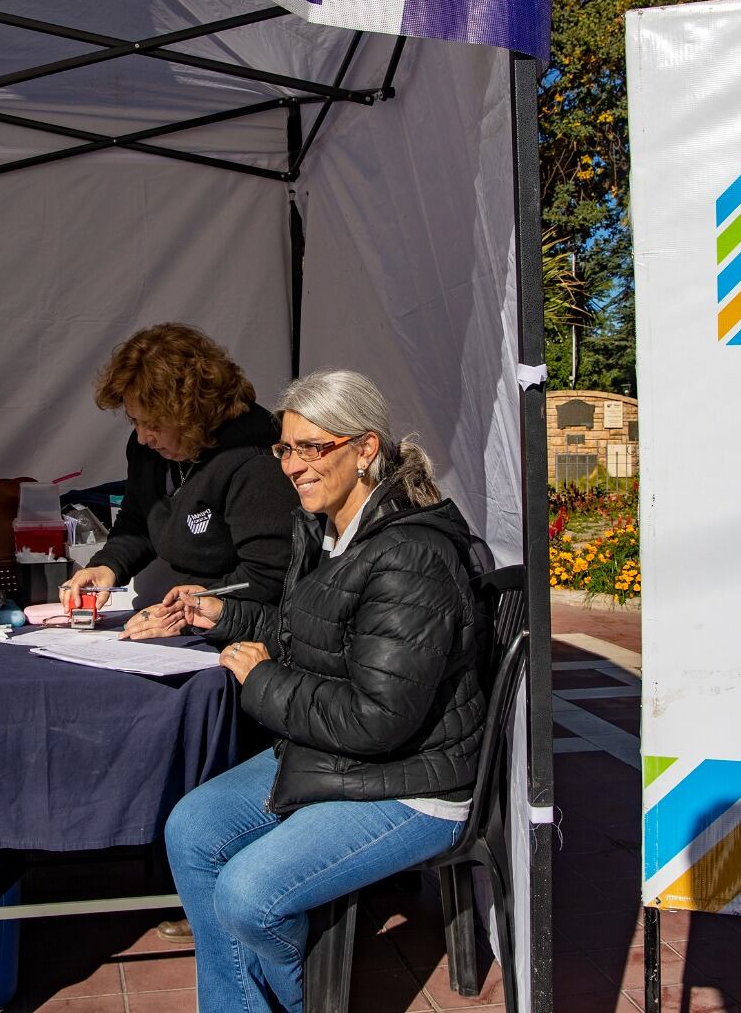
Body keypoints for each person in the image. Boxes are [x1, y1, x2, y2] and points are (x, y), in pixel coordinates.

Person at [162, 370, 488, 1013]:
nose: (293, 465)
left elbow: (379, 720)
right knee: (191, 829)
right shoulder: (329, 530)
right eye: (286, 449)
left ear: (365, 448)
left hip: (414, 784)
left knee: (248, 895)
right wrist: (221, 617)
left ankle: (303, 1001)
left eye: (312, 447)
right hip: (345, 759)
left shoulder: (409, 555)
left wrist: (260, 681)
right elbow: (303, 633)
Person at [60, 323, 295, 640]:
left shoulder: (254, 461)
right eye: (135, 421)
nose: (143, 437)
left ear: (193, 412)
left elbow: (268, 574)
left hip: (250, 629)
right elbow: (138, 519)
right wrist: (107, 565)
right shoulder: (150, 452)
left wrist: (189, 608)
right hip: (191, 616)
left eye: (153, 423)